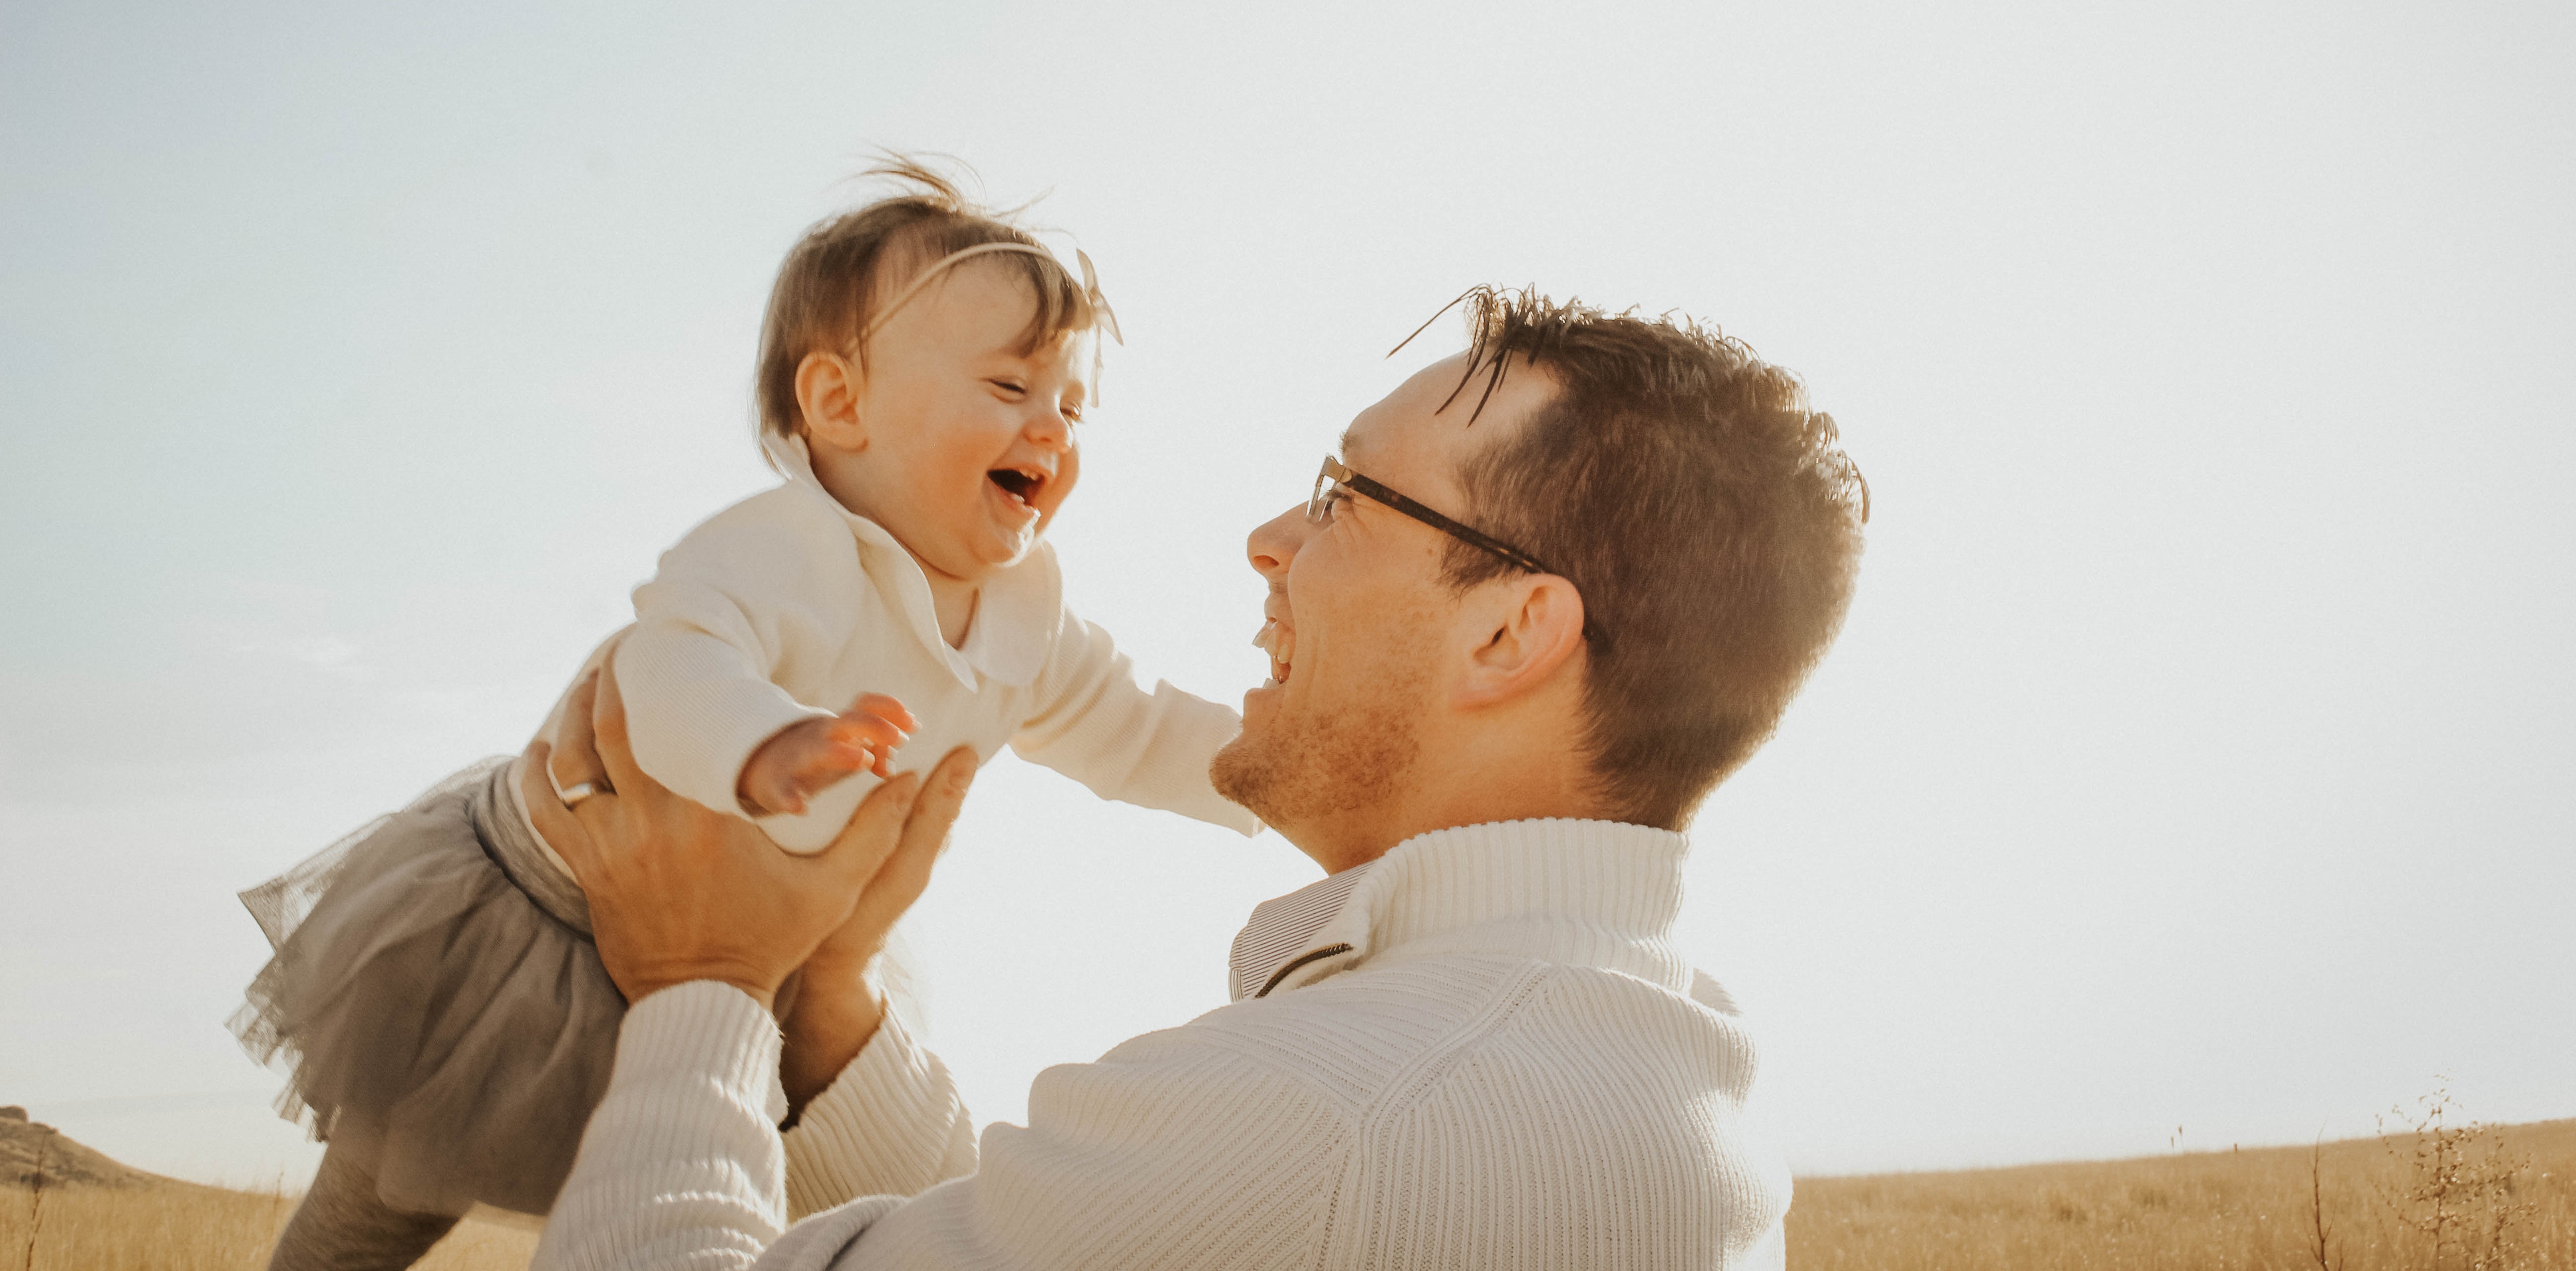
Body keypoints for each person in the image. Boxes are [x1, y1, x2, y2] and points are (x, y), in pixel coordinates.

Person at [522, 287, 1869, 1271]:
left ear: (1511, 631)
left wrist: (702, 983)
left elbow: (1276, 1173)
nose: (1269, 539)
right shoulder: (1658, 1062)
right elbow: (1113, 1229)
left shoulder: (1334, 1113)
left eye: (1347, 495)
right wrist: (824, 1007)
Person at [230, 160, 1259, 1271]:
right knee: (382, 1199)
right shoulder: (783, 546)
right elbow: (668, 667)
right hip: (540, 924)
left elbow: (1138, 730)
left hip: (753, 955)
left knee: (681, 1187)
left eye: (1072, 404)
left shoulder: (1029, 619)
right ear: (838, 404)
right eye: (1011, 390)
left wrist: (1266, 776)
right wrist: (763, 742)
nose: (1050, 430)